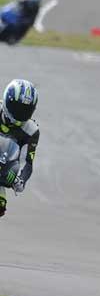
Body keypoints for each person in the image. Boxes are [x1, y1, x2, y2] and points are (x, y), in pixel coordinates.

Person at [0, 79, 39, 218]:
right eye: (16, 108)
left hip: (3, 166)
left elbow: (27, 161)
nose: (19, 114)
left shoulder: (31, 130)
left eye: (25, 110)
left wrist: (21, 180)